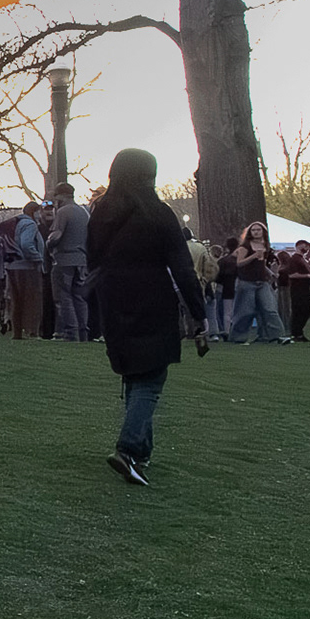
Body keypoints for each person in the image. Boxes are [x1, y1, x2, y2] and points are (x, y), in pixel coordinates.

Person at [86, 149, 208, 486]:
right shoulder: (159, 213)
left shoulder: (100, 213)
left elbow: (92, 260)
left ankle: (142, 450)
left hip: (113, 298)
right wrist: (199, 315)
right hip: (152, 297)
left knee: (134, 373)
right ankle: (127, 449)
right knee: (151, 378)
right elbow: (183, 269)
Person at [229, 222, 287, 343]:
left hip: (262, 282)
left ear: (263, 232)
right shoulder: (245, 247)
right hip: (246, 282)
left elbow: (262, 263)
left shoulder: (264, 245)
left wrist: (270, 273)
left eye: (258, 230)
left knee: (270, 309)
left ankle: (277, 336)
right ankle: (238, 337)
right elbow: (239, 263)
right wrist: (254, 255)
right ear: (250, 233)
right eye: (253, 230)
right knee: (245, 311)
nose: (256, 232)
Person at [48, 182, 90, 340]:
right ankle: (83, 332)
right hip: (82, 260)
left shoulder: (63, 212)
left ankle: (70, 332)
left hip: (64, 260)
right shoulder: (84, 212)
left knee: (63, 296)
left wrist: (49, 242)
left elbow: (57, 235)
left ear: (60, 196)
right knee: (79, 296)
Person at [6, 201, 46, 339]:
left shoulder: (15, 224)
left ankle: (17, 333)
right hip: (27, 267)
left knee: (16, 301)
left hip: (13, 266)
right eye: (38, 212)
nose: (40, 215)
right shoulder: (30, 224)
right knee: (32, 300)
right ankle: (32, 332)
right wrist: (38, 257)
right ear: (34, 212)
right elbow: (27, 244)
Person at [279, 240, 310, 341]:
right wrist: (307, 275)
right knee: (299, 310)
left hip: (305, 288)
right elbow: (292, 274)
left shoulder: (302, 259)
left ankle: (298, 332)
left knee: (305, 310)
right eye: (306, 246)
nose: (307, 248)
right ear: (299, 246)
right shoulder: (294, 259)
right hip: (298, 289)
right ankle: (296, 333)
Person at [212, 237, 238, 339]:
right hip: (239, 286)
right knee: (238, 310)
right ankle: (237, 330)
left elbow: (217, 276)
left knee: (227, 312)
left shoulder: (223, 261)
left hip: (225, 288)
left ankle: (227, 331)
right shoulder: (240, 260)